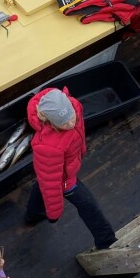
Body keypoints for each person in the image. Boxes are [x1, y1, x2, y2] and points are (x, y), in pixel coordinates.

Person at [23, 88, 118, 250]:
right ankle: (106, 241)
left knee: (42, 184)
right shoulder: (47, 146)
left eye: (72, 117)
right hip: (65, 180)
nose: (71, 123)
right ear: (51, 123)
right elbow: (51, 183)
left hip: (63, 166)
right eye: (64, 123)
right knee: (88, 205)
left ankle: (32, 215)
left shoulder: (74, 106)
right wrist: (54, 214)